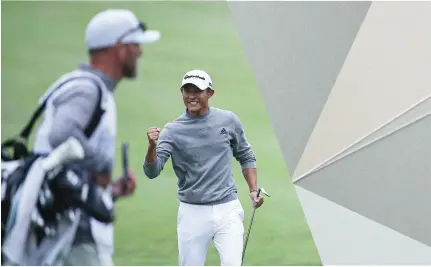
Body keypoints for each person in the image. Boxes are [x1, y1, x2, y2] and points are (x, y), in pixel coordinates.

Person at [31, 9, 161, 266]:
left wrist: (109, 191)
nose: (139, 53)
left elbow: (69, 165)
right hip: (73, 231)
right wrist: (101, 165)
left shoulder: (92, 88)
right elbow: (62, 134)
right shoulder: (87, 88)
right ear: (120, 49)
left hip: (69, 223)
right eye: (135, 45)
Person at [143, 69, 265, 266]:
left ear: (210, 93)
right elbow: (152, 171)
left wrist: (252, 190)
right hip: (192, 213)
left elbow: (245, 155)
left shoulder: (228, 120)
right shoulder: (172, 130)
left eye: (197, 91)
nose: (191, 96)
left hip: (228, 209)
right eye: (187, 90)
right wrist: (151, 147)